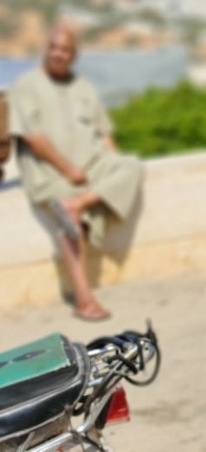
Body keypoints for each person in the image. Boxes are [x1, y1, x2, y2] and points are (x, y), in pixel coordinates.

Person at [7, 25, 144, 321]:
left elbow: (105, 134)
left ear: (74, 55)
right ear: (46, 49)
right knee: (73, 225)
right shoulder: (26, 85)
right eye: (53, 48)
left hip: (90, 167)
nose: (58, 54)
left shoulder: (84, 87)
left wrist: (112, 169)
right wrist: (68, 169)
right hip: (50, 173)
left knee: (131, 165)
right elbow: (33, 137)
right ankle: (84, 300)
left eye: (65, 50)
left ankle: (79, 202)